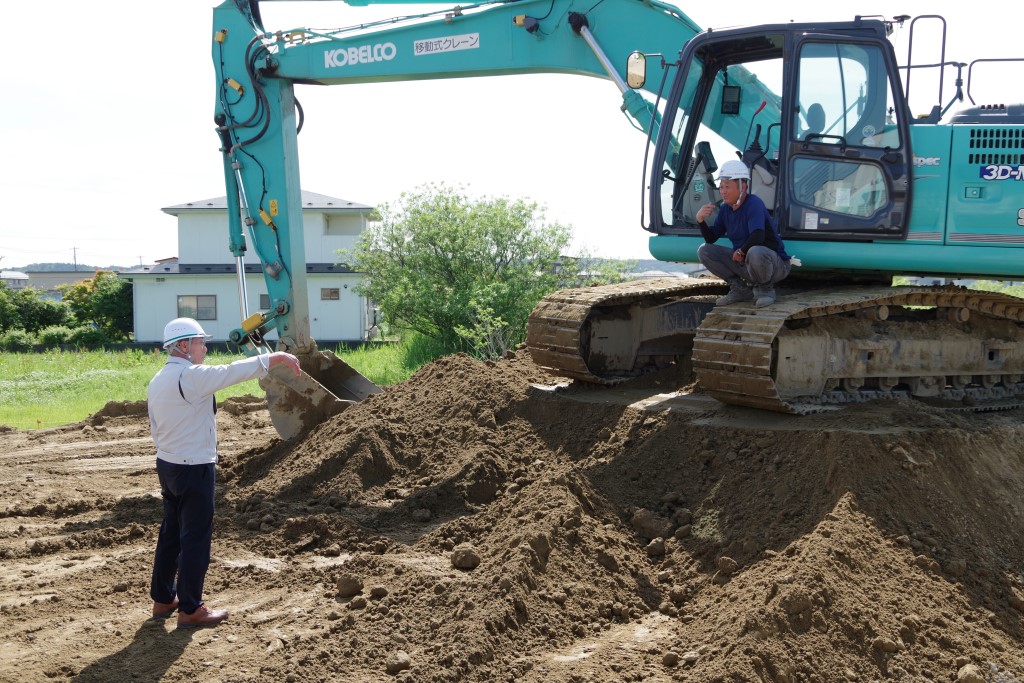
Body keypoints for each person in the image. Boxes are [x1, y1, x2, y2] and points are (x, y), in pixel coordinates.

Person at [148, 317, 301, 628]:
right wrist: (275, 357)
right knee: (195, 538)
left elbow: (154, 426)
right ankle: (190, 608)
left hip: (168, 464)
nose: (204, 347)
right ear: (182, 346)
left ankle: (164, 598)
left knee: (171, 533)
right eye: (199, 342)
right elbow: (231, 372)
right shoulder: (190, 376)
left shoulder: (158, 379)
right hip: (194, 467)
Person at [695, 159, 791, 308]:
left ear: (743, 186)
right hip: (747, 263)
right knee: (704, 251)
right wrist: (701, 221)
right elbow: (711, 238)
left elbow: (758, 235)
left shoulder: (754, 203)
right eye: (721, 187)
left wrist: (741, 251)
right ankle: (740, 289)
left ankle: (766, 290)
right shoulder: (726, 209)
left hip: (775, 265)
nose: (723, 191)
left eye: (727, 187)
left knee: (755, 250)